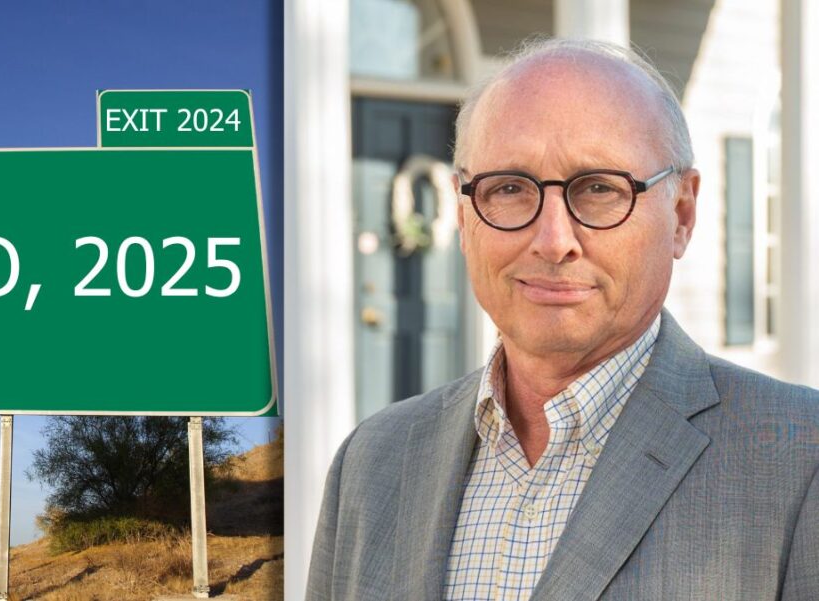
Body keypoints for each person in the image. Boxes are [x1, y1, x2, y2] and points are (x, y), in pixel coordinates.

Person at [306, 38, 819, 601]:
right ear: (461, 213)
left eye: (599, 189)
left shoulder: (800, 459)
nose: (552, 241)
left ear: (681, 213)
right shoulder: (372, 462)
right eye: (509, 188)